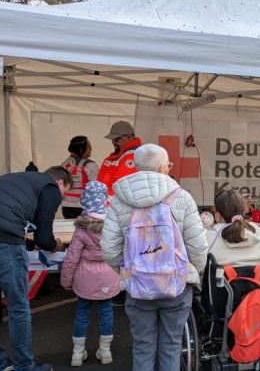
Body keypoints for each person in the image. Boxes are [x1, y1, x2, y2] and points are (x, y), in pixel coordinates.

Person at [101, 143, 207, 371]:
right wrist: (191, 272)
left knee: (142, 347)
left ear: (136, 166)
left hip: (138, 286)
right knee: (171, 347)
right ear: (163, 167)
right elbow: (198, 248)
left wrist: (129, 271)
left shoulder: (119, 200)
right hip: (176, 285)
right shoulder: (182, 197)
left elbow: (109, 249)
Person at [0, 166, 72, 371]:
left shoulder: (16, 179)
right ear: (60, 182)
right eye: (65, 192)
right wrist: (56, 245)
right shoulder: (51, 187)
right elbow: (44, 239)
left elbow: (7, 217)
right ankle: (24, 365)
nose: (61, 198)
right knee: (18, 305)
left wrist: (28, 243)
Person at [60, 181, 120, 367]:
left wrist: (66, 281)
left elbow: (71, 258)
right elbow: (120, 252)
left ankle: (77, 354)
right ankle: (105, 351)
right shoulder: (113, 225)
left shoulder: (81, 229)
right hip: (108, 275)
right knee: (107, 311)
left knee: (82, 313)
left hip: (85, 277)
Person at [206, 189, 260, 266]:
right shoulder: (259, 232)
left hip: (222, 277)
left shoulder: (208, 237)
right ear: (244, 213)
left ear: (218, 216)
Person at [97, 120, 142, 195]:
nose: (113, 142)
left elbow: (122, 187)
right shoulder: (117, 156)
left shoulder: (133, 156)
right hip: (105, 202)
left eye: (116, 139)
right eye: (112, 139)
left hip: (113, 203)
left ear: (128, 137)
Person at [61, 135, 100, 218]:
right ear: (81, 149)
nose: (91, 149)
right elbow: (96, 187)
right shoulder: (90, 165)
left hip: (66, 206)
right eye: (89, 147)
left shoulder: (64, 164)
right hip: (82, 207)